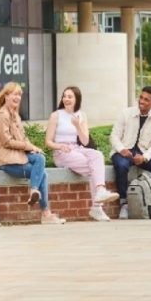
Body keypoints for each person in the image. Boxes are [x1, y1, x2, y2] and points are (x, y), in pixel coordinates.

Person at [0, 82, 64, 224]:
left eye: (19, 94)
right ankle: (45, 212)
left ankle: (36, 194)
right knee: (42, 174)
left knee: (40, 158)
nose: (17, 97)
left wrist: (33, 147)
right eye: (14, 94)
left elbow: (23, 138)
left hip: (18, 156)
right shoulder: (1, 116)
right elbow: (7, 142)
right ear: (6, 96)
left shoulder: (15, 116)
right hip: (6, 161)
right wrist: (27, 146)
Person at [45, 86, 120, 221]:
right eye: (64, 96)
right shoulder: (56, 115)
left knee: (97, 155)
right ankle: (97, 206)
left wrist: (77, 125)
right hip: (61, 153)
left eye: (70, 97)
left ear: (76, 99)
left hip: (77, 149)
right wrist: (60, 146)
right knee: (94, 169)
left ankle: (100, 193)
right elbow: (48, 142)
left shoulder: (81, 115)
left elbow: (85, 141)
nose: (66, 99)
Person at [109, 86, 151, 220]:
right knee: (122, 166)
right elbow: (114, 136)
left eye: (146, 99)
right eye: (141, 97)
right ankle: (124, 205)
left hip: (143, 152)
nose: (142, 101)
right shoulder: (126, 113)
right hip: (124, 150)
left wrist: (145, 157)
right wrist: (122, 149)